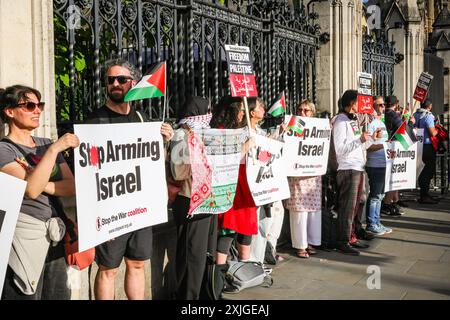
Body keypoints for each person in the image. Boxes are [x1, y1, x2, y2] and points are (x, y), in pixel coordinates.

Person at [85, 58, 174, 300]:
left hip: (139, 208)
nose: (115, 84)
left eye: (121, 79)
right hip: (111, 209)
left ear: (133, 84)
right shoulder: (94, 121)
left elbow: (153, 164)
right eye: (110, 80)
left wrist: (163, 143)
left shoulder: (141, 119)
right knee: (108, 269)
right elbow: (88, 172)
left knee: (136, 264)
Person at [0, 85, 80, 300]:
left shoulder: (44, 144)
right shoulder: (5, 150)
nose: (37, 110)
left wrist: (36, 178)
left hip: (56, 235)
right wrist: (55, 150)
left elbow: (71, 186)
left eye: (40, 105)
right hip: (25, 239)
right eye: (29, 105)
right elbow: (32, 192)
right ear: (9, 111)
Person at [169, 95, 217, 300]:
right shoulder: (181, 136)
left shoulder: (206, 135)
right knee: (191, 254)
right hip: (189, 199)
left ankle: (201, 292)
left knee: (202, 252)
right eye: (206, 111)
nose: (209, 116)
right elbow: (178, 172)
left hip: (207, 199)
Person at [211, 96, 257, 265]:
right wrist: (245, 147)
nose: (242, 115)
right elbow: (223, 160)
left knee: (246, 229)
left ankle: (243, 269)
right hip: (230, 186)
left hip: (245, 185)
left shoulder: (243, 130)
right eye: (241, 111)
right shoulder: (219, 131)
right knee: (228, 229)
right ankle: (219, 274)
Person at [332, 90, 379, 255]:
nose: (362, 105)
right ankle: (342, 241)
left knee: (355, 206)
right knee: (347, 207)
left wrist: (370, 138)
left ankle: (351, 236)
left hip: (357, 167)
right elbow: (340, 150)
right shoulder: (340, 121)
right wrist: (360, 139)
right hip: (348, 169)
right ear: (351, 103)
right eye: (359, 102)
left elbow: (358, 146)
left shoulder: (352, 121)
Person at [246, 97, 285, 265]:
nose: (264, 109)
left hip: (266, 181)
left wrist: (277, 137)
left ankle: (264, 251)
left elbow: (267, 152)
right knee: (256, 221)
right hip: (253, 184)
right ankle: (254, 259)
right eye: (260, 107)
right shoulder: (246, 132)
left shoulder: (260, 131)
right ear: (252, 112)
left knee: (269, 218)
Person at [284, 100, 322, 258]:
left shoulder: (319, 127)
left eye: (306, 110)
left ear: (312, 112)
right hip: (297, 175)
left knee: (313, 211)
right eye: (300, 109)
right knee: (299, 211)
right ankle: (300, 245)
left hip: (313, 175)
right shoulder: (293, 125)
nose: (302, 112)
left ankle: (312, 241)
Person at [365, 96, 393, 236]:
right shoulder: (371, 124)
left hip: (384, 163)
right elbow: (368, 146)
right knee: (375, 195)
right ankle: (371, 224)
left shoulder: (380, 122)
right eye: (380, 105)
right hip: (375, 164)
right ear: (373, 106)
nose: (383, 107)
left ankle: (376, 221)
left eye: (384, 105)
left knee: (381, 195)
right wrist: (385, 144)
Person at [413, 99, 439, 204]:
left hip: (418, 146)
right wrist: (438, 129)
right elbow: (432, 133)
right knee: (428, 171)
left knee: (422, 170)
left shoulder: (415, 114)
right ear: (430, 106)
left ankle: (423, 194)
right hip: (427, 146)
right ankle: (424, 195)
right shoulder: (428, 116)